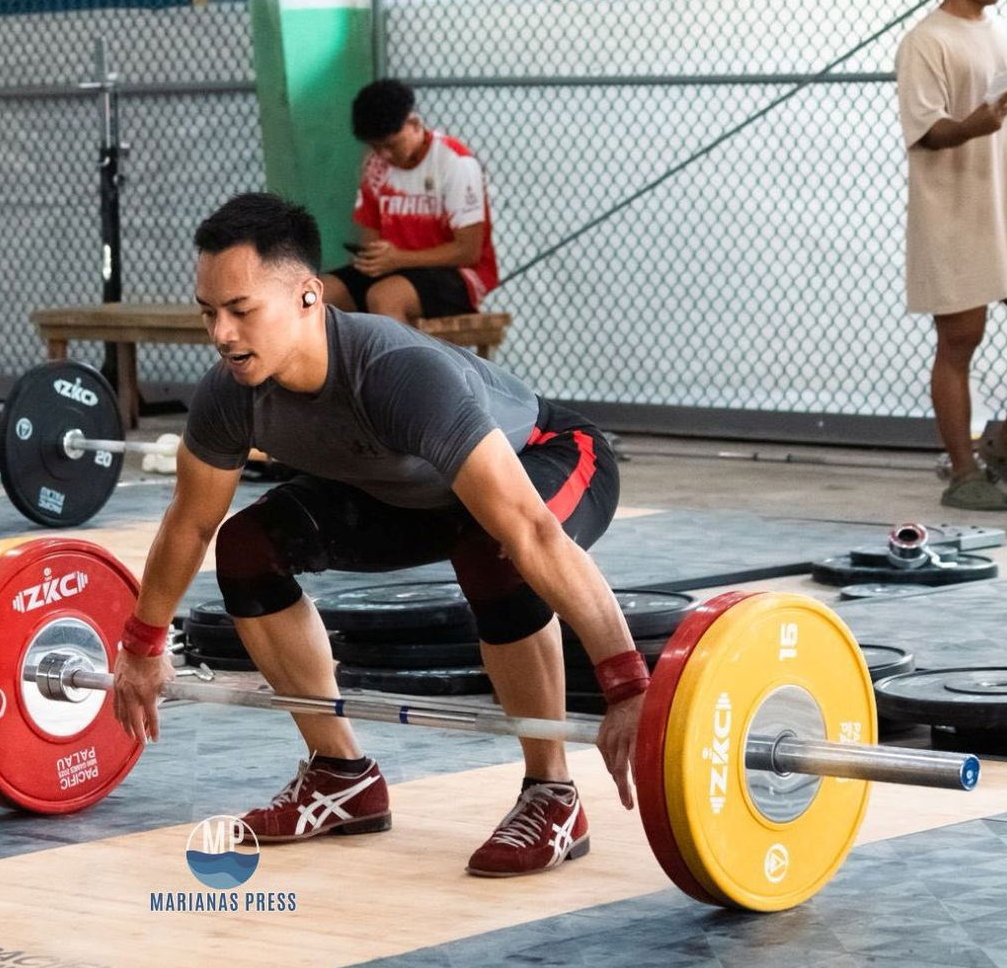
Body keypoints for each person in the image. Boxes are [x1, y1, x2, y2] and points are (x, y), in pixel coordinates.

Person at [113, 192, 642, 878]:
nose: (221, 333)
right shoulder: (230, 393)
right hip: (408, 494)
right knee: (247, 546)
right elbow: (190, 520)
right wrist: (142, 644)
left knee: (495, 546)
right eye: (208, 313)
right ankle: (341, 775)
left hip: (548, 456)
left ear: (307, 296)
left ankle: (552, 792)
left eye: (241, 310)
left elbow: (531, 528)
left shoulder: (393, 373)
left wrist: (627, 684)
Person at [896, 0, 1007, 510]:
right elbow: (926, 129)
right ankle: (963, 470)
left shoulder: (1002, 30)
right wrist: (972, 125)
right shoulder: (927, 40)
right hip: (956, 211)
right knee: (961, 339)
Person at [321, 79, 500, 326]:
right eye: (375, 146)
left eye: (390, 145)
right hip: (395, 269)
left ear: (414, 124)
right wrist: (375, 258)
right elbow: (370, 240)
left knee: (384, 297)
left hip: (458, 276)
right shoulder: (376, 166)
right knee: (318, 294)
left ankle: (401, 365)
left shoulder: (454, 162)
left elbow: (468, 251)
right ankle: (341, 365)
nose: (383, 154)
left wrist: (399, 258)